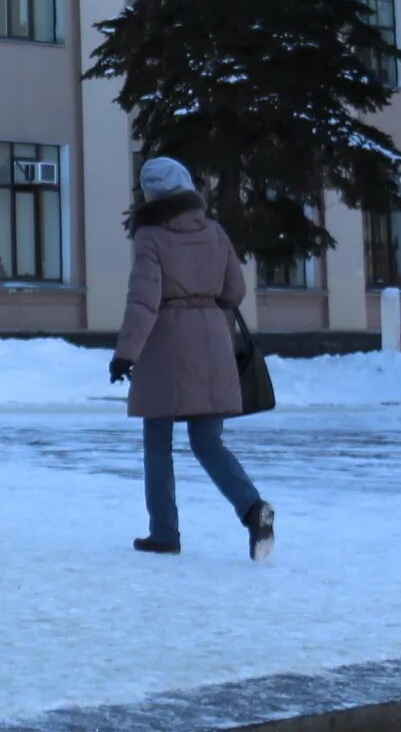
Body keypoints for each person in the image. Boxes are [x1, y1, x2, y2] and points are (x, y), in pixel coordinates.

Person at [109, 156, 275, 561]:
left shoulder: (150, 236)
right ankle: (253, 508)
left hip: (165, 345)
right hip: (214, 339)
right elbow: (234, 290)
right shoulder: (215, 231)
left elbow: (144, 300)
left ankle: (164, 531)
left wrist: (125, 354)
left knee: (157, 443)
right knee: (208, 441)